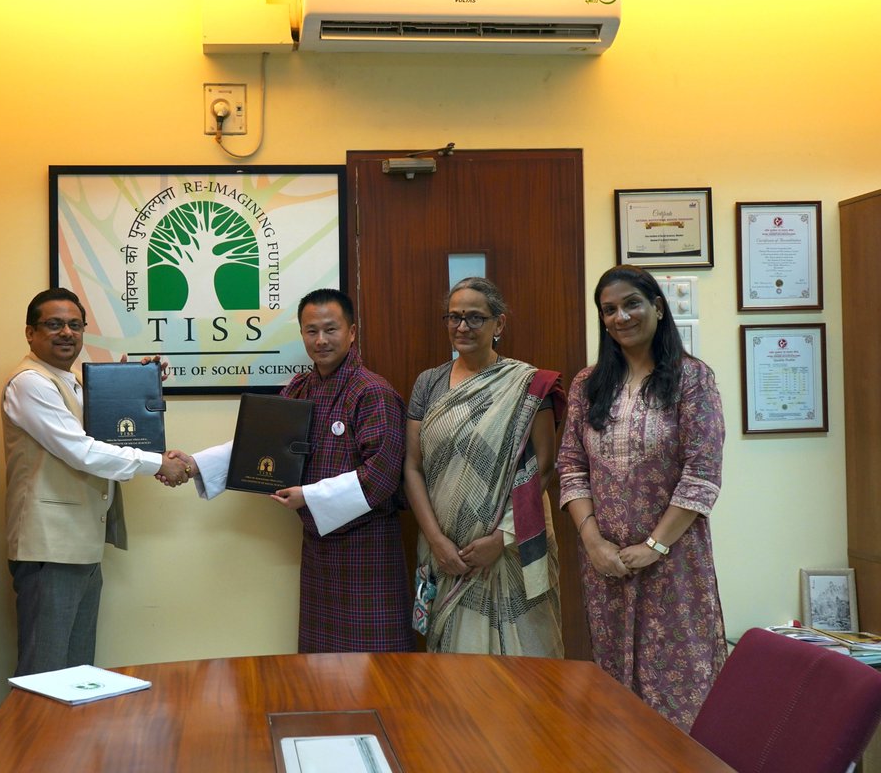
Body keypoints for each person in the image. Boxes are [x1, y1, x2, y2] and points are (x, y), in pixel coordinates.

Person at [172, 289, 414, 652]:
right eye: (311, 330)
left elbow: (381, 477)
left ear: (351, 332)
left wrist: (308, 496)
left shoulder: (373, 392)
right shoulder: (301, 387)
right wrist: (193, 464)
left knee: (375, 664)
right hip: (320, 548)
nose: (321, 340)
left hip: (368, 548)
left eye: (331, 330)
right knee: (321, 664)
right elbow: (262, 443)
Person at [556, 264, 727, 730]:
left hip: (673, 563)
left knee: (677, 688)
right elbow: (570, 467)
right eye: (608, 309)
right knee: (612, 694)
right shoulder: (587, 384)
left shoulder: (692, 379)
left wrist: (654, 547)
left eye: (631, 303)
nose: (620, 316)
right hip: (607, 565)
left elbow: (702, 473)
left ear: (656, 306)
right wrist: (594, 544)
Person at [2, 287, 189, 675]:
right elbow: (82, 451)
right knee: (45, 671)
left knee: (77, 669)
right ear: (30, 333)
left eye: (74, 325)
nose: (66, 333)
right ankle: (39, 739)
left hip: (81, 543)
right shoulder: (30, 384)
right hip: (49, 548)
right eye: (53, 325)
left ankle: (68, 738)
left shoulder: (71, 382)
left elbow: (110, 428)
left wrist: (134, 382)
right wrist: (157, 463)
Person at [404, 277, 565, 657]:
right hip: (446, 552)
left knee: (524, 673)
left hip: (508, 550)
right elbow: (412, 468)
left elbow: (543, 468)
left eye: (475, 318)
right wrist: (438, 542)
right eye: (454, 317)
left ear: (499, 324)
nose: (462, 327)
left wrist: (502, 538)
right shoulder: (429, 384)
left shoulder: (528, 385)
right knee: (455, 675)